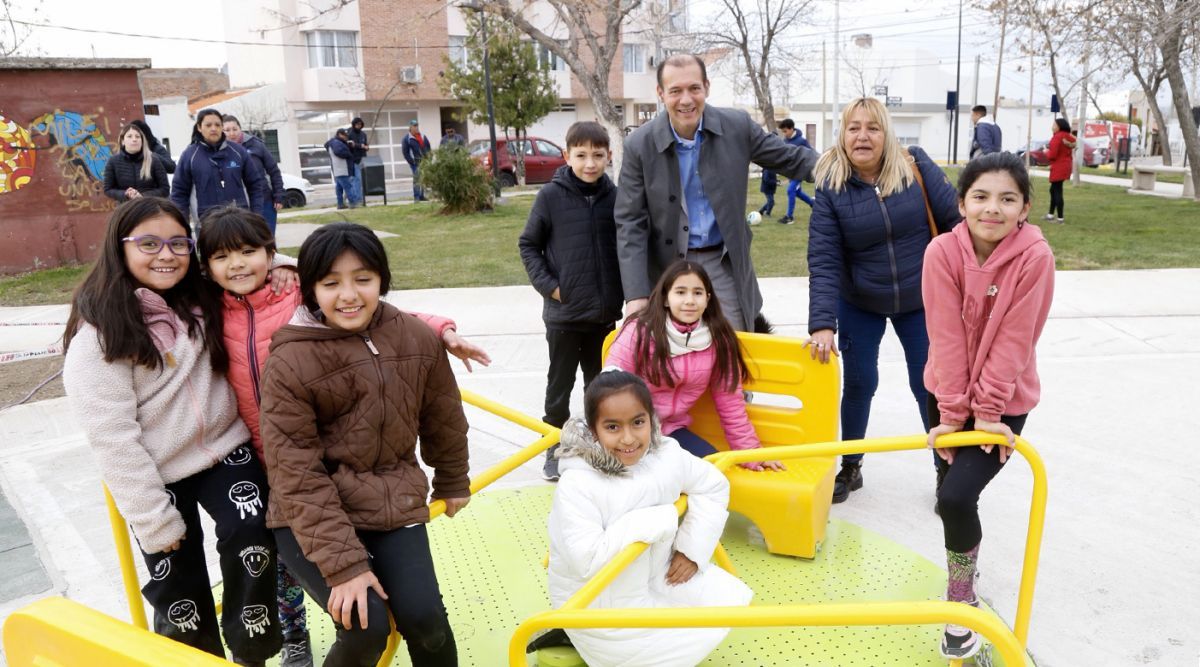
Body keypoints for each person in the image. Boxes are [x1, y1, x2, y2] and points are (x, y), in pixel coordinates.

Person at [197, 208, 488, 667]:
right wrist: (346, 567)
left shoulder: (414, 338)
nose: (348, 296)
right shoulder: (290, 361)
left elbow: (443, 416)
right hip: (306, 512)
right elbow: (296, 472)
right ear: (309, 289)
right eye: (331, 284)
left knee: (426, 620)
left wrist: (453, 478)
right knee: (365, 625)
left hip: (389, 498)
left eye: (363, 279)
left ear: (382, 280)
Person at [62, 197, 282, 665]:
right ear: (119, 248)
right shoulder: (100, 335)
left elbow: (247, 262)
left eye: (178, 243)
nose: (166, 255)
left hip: (225, 448)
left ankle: (251, 651)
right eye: (149, 244)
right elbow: (112, 438)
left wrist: (287, 267)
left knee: (253, 533)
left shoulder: (201, 297)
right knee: (176, 578)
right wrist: (151, 519)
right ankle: (193, 659)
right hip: (155, 469)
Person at [923, 152, 1054, 659]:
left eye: (1007, 198)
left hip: (1005, 401)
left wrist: (990, 414)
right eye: (980, 197)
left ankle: (962, 600)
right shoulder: (941, 253)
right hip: (947, 394)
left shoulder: (1035, 257)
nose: (991, 209)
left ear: (1024, 209)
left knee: (956, 498)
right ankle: (964, 572)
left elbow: (1016, 340)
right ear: (961, 203)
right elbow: (946, 335)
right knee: (947, 496)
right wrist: (954, 413)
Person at [806, 96, 960, 503]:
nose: (863, 136)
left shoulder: (915, 166)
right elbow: (824, 258)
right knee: (858, 384)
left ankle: (946, 470)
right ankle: (851, 465)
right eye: (853, 127)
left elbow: (957, 224)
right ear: (842, 133)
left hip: (920, 298)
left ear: (886, 133)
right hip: (860, 301)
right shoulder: (831, 186)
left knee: (928, 385)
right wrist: (822, 323)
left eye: (872, 127)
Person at [546, 369, 753, 667]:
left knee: (727, 599)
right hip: (599, 604)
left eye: (638, 422)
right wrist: (658, 520)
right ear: (593, 429)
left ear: (651, 419)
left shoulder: (664, 456)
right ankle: (573, 638)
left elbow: (713, 485)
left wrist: (692, 549)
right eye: (613, 427)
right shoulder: (578, 483)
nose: (628, 438)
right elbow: (586, 560)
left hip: (656, 575)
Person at [615, 53, 818, 332]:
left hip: (723, 263)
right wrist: (636, 296)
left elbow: (792, 159)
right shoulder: (639, 145)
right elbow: (630, 223)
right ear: (661, 93)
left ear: (706, 88)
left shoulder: (737, 126)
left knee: (732, 353)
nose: (686, 100)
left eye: (694, 89)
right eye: (675, 91)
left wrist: (846, 166)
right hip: (668, 268)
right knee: (674, 360)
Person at [519, 121, 625, 482]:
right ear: (567, 156)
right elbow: (528, 244)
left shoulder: (616, 197)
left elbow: (628, 245)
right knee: (558, 389)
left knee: (600, 387)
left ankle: (599, 447)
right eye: (581, 155)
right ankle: (554, 447)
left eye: (598, 155)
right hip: (564, 316)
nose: (590, 163)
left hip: (604, 315)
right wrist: (552, 287)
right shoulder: (550, 196)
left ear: (609, 156)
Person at [607, 261, 784, 471]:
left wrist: (752, 454)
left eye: (697, 293)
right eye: (680, 292)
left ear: (708, 299)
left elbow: (731, 404)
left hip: (671, 431)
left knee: (714, 471)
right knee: (647, 481)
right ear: (665, 298)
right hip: (629, 432)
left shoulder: (719, 340)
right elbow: (609, 387)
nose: (689, 301)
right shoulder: (639, 331)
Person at [170, 108, 266, 226]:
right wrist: (182, 226)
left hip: (240, 221)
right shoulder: (189, 155)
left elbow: (255, 185)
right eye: (208, 125)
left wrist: (256, 216)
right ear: (199, 128)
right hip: (206, 223)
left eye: (217, 125)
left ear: (222, 127)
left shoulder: (238, 152)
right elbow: (179, 193)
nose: (213, 128)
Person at [222, 115, 284, 235]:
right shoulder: (221, 151)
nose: (232, 133)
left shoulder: (256, 145)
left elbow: (274, 171)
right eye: (227, 130)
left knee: (267, 239)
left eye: (235, 129)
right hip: (237, 205)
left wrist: (279, 195)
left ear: (240, 129)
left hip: (264, 200)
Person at [103, 122, 170, 202]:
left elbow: (165, 189)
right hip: (126, 209)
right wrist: (125, 194)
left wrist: (142, 196)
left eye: (137, 137)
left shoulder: (153, 160)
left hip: (151, 207)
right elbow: (108, 189)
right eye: (129, 136)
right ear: (122, 141)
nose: (134, 139)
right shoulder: (113, 161)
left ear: (142, 141)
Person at [777, 118, 815, 224]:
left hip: (801, 171)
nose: (784, 134)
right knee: (796, 192)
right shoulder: (785, 141)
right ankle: (813, 204)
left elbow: (811, 154)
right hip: (792, 172)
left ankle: (789, 217)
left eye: (785, 131)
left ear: (791, 129)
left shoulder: (802, 141)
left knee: (790, 190)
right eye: (783, 132)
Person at [1044, 118, 1075, 224]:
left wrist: (1046, 151)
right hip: (1066, 166)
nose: (1052, 126)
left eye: (1054, 124)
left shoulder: (1057, 137)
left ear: (1059, 126)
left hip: (1058, 167)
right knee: (1053, 190)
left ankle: (1060, 218)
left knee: (1057, 191)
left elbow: (1052, 155)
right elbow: (1073, 145)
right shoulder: (1069, 137)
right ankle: (1050, 215)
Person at [324, 129, 355, 210]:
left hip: (338, 169)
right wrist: (349, 154)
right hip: (342, 169)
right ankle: (352, 203)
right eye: (344, 135)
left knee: (339, 188)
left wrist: (349, 147)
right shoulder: (336, 143)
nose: (346, 137)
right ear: (339, 134)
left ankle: (340, 204)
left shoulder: (335, 142)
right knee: (348, 187)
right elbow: (338, 152)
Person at [402, 119, 432, 202]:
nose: (416, 127)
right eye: (414, 126)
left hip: (424, 161)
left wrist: (429, 158)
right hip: (415, 163)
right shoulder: (407, 139)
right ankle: (416, 197)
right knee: (417, 178)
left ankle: (422, 196)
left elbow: (428, 148)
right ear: (410, 127)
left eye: (417, 126)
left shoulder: (422, 136)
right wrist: (411, 161)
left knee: (423, 178)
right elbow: (405, 152)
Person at [345, 118, 369, 207]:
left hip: (363, 159)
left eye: (360, 124)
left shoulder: (363, 134)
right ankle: (357, 200)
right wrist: (360, 146)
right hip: (354, 160)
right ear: (354, 125)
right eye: (357, 124)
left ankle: (358, 198)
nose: (359, 126)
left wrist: (365, 147)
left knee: (361, 181)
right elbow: (350, 145)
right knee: (356, 180)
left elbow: (366, 145)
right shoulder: (350, 133)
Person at [757, 153, 778, 218]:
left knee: (771, 202)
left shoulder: (772, 168)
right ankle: (768, 213)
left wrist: (777, 182)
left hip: (770, 188)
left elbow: (773, 178)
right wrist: (775, 182)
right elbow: (767, 180)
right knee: (771, 202)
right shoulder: (767, 170)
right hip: (767, 188)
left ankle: (761, 211)